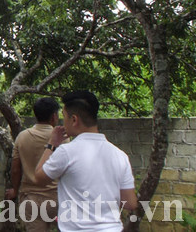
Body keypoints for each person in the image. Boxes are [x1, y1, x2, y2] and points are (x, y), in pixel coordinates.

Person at [35, 91, 138, 231]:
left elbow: (39, 178)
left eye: (64, 117)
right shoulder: (120, 155)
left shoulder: (66, 152)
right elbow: (130, 203)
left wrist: (51, 144)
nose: (63, 122)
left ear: (74, 120)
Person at [5, 97, 66, 232]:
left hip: (30, 200)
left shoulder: (22, 137)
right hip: (57, 199)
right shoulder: (62, 139)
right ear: (54, 116)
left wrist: (15, 190)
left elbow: (15, 169)